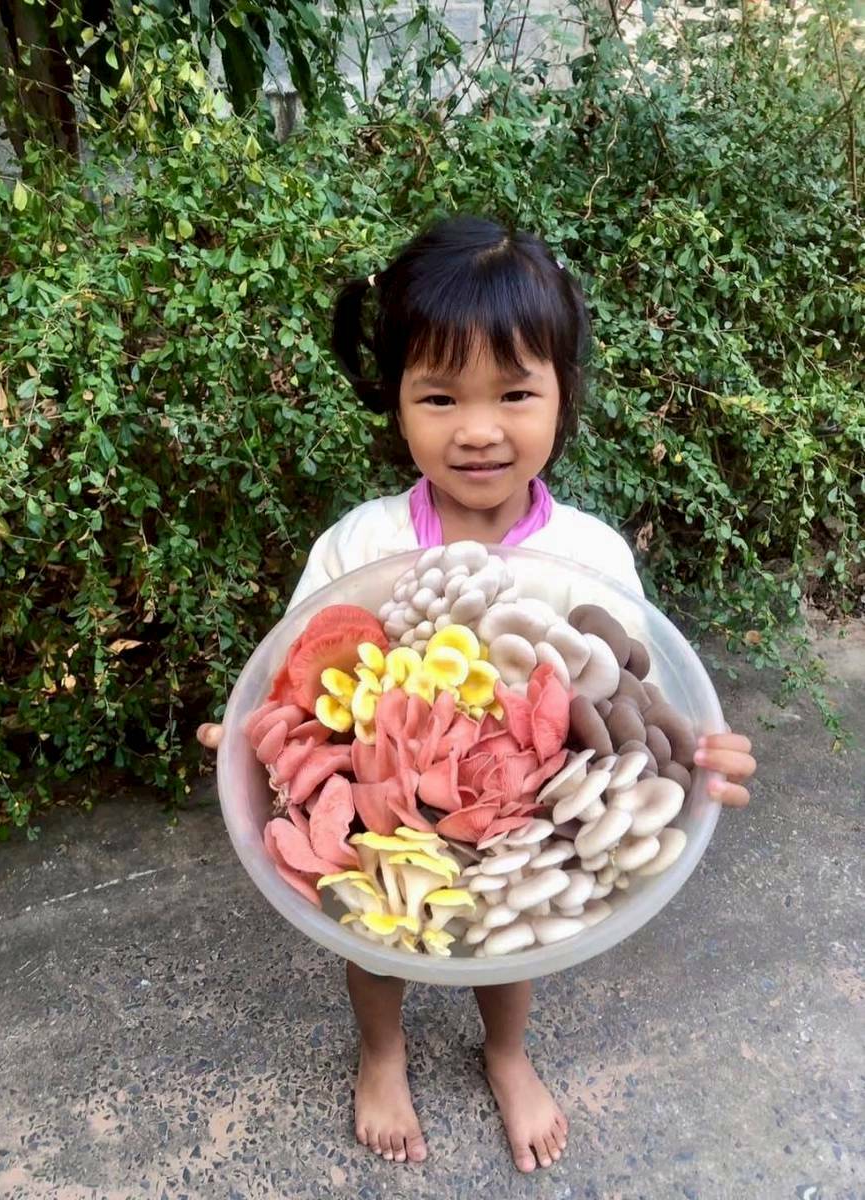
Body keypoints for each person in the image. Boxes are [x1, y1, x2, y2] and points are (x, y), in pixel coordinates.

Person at [197, 214, 756, 1173]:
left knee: (512, 936)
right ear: (396, 403)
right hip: (384, 825)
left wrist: (702, 752)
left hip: (529, 824)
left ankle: (505, 1051)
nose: (480, 429)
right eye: (441, 396)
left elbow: (642, 704)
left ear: (563, 395)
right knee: (375, 940)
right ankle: (382, 1051)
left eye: (515, 392)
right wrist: (253, 734)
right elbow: (296, 679)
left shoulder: (589, 558)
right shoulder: (361, 548)